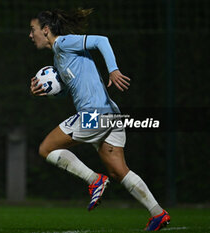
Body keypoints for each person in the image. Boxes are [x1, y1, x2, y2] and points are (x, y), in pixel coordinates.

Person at [29, 8, 170, 231]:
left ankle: (94, 180)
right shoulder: (59, 56)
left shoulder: (64, 43)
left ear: (45, 30)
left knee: (46, 149)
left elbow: (101, 41)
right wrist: (48, 90)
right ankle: (158, 213)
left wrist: (113, 70)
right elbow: (70, 87)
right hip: (110, 114)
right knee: (118, 171)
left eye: (33, 29)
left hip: (93, 115)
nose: (30, 34)